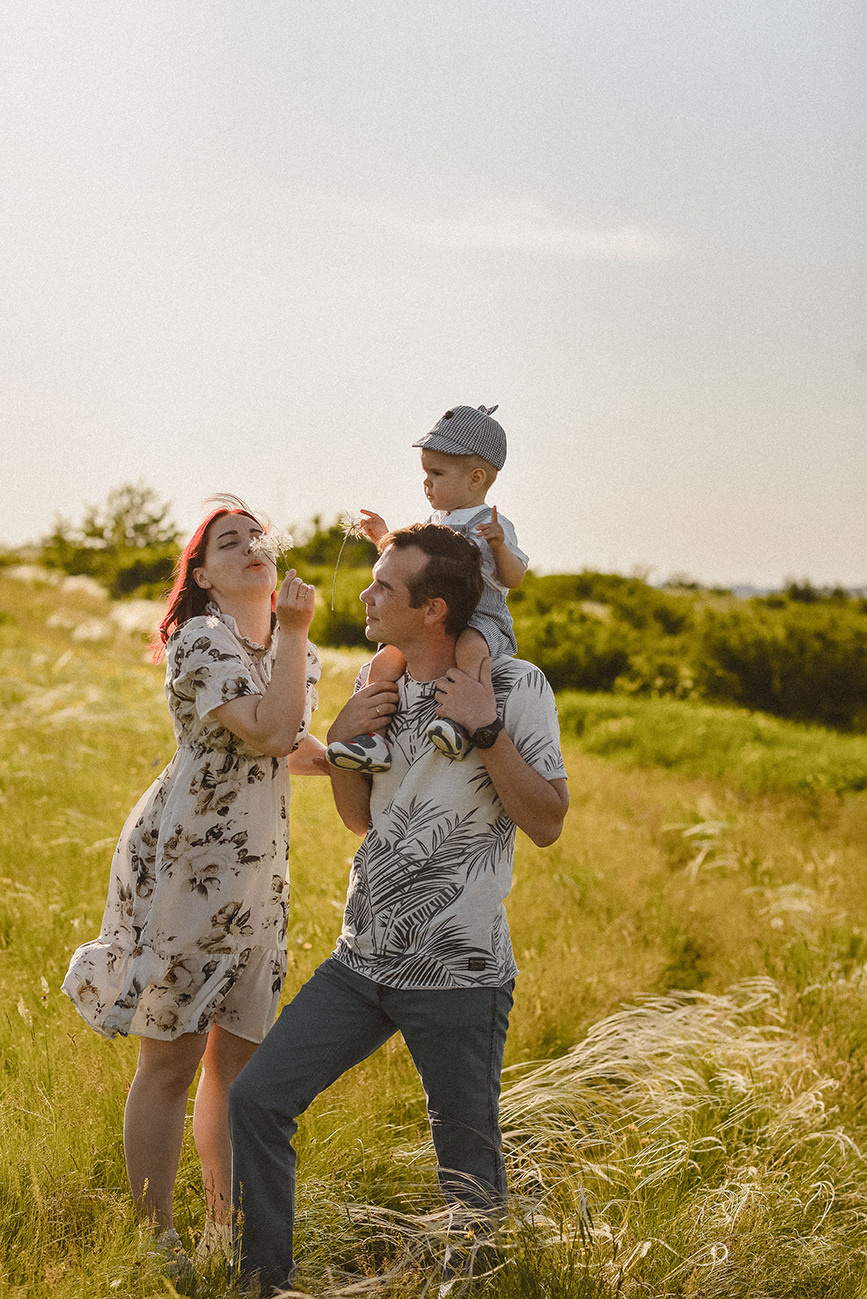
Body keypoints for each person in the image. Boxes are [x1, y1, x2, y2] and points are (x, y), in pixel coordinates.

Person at [229, 522, 568, 1293]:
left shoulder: (517, 686)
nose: (364, 594)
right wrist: (346, 738)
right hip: (361, 959)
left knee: (466, 1159)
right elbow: (360, 816)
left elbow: (546, 820)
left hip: (459, 973)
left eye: (384, 586)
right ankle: (262, 1279)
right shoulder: (375, 685)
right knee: (257, 1099)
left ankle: (474, 1284)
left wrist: (484, 729)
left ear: (434, 609)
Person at [62, 498, 324, 1273]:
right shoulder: (201, 639)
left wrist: (373, 752)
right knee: (171, 1059)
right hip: (189, 865)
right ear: (203, 576)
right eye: (227, 541)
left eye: (256, 535)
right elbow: (271, 732)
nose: (249, 546)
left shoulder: (284, 646)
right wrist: (301, 634)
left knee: (237, 1067)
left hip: (259, 872)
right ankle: (156, 1239)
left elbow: (293, 746)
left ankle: (224, 1229)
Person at [326, 404, 528, 772]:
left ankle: (459, 722)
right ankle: (372, 738)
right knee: (386, 658)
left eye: (436, 473)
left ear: (476, 478)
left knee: (470, 649)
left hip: (479, 617)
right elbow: (412, 567)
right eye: (424, 473)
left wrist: (499, 547)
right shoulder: (433, 523)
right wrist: (385, 537)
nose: (426, 483)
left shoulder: (492, 523)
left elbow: (514, 579)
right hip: (430, 618)